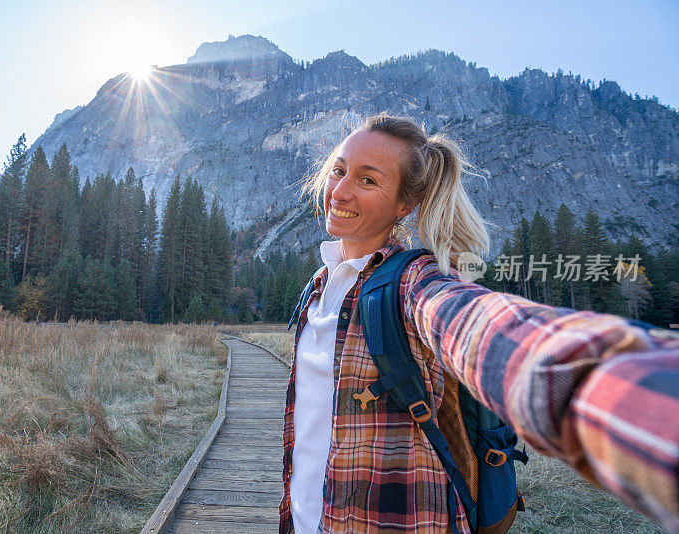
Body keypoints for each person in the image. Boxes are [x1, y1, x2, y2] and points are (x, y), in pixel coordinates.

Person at [280, 113, 679, 534]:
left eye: (368, 180)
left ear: (404, 205)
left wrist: (630, 393)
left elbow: (485, 328)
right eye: (338, 171)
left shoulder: (415, 282)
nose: (339, 191)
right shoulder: (321, 286)